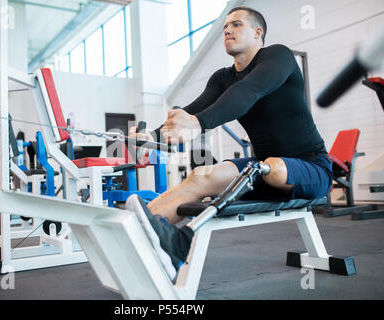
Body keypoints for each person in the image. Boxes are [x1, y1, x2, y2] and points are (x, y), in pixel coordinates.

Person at [126, 6, 333, 280]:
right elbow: (192, 111)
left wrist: (198, 124)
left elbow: (249, 90)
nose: (227, 30)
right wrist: (151, 136)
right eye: (225, 27)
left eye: (236, 25)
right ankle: (134, 235)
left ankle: (158, 237)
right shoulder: (222, 78)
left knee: (275, 168)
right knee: (202, 175)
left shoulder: (278, 56)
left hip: (310, 166)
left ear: (258, 33)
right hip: (259, 170)